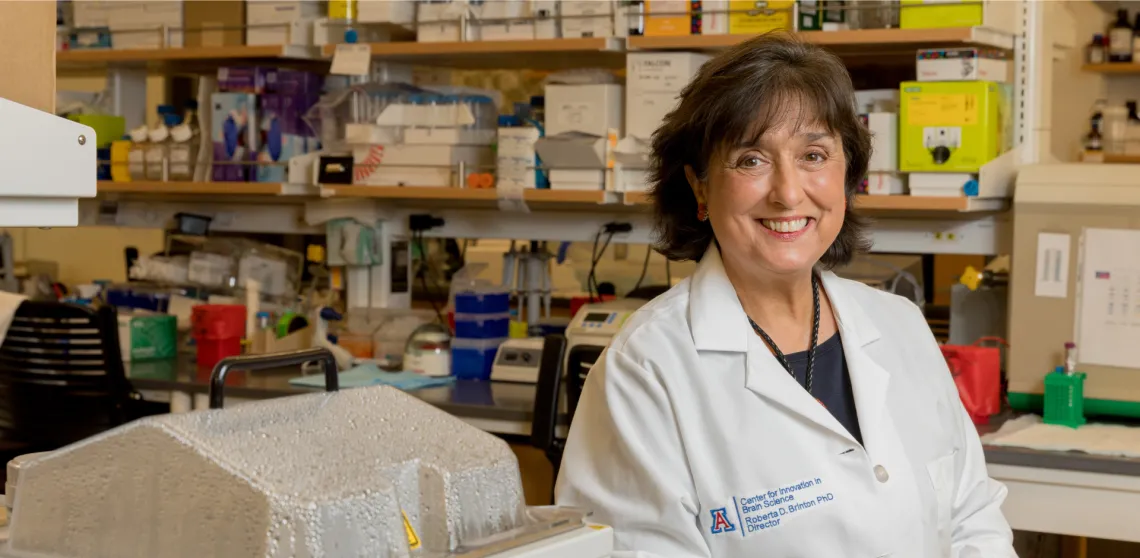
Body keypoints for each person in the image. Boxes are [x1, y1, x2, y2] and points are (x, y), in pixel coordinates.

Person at [555, 33, 1016, 557]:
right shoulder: (648, 366)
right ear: (700, 187)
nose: (789, 192)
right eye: (751, 160)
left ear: (847, 175)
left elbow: (973, 519)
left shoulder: (901, 325)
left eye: (814, 155)